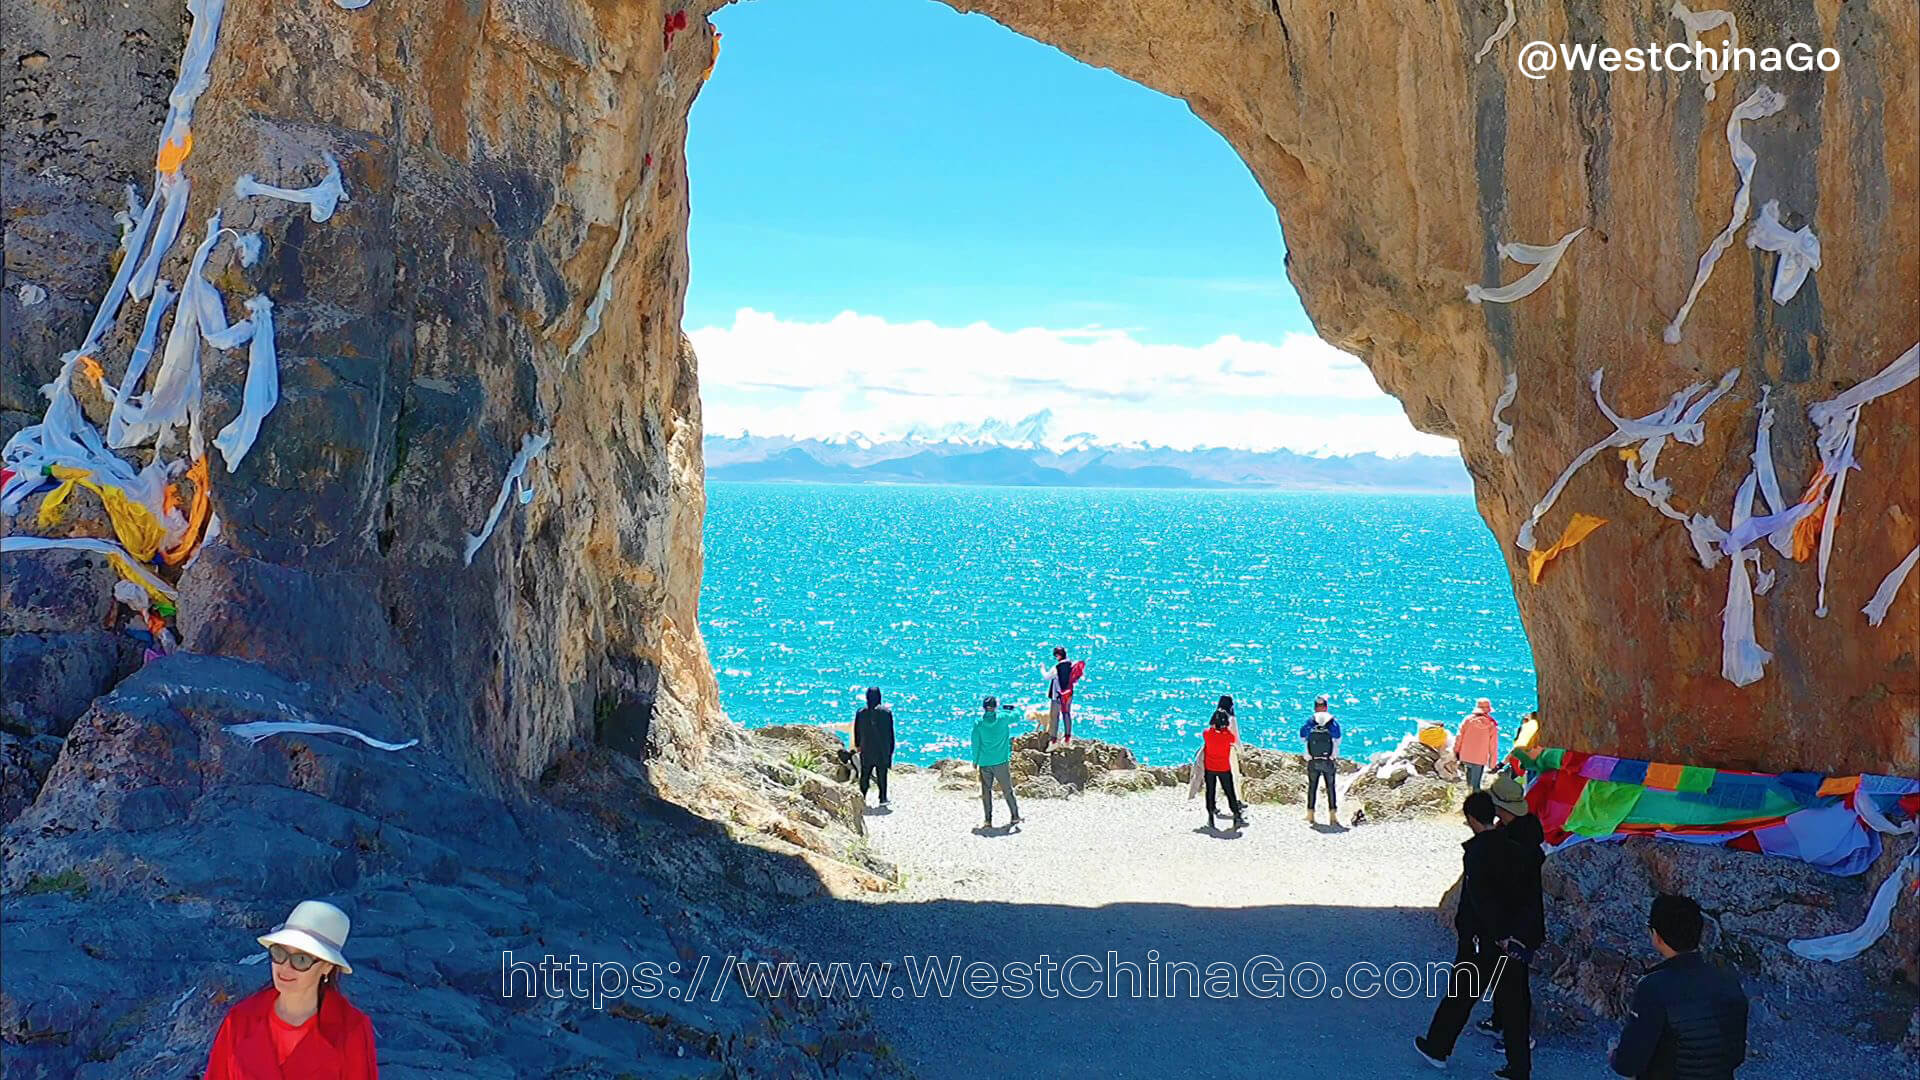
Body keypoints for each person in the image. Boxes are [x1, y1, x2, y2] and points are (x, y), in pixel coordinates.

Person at [1415, 791, 1535, 1080]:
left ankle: (1437, 1049)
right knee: (1514, 1003)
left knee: (1460, 996)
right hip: (1513, 938)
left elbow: (1482, 900)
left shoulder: (1479, 852)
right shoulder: (1514, 845)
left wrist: (1492, 934)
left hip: (1486, 939)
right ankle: (1519, 1067)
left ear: (1470, 818)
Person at [202, 899, 377, 1078]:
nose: (285, 967)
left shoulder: (352, 1029)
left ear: (327, 967)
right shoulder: (240, 1019)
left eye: (301, 960)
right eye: (279, 953)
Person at [1609, 894, 1749, 1080]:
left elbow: (1628, 1064)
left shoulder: (1653, 987)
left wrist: (1613, 1055)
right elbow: (1736, 1055)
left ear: (1655, 935)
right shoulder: (1728, 980)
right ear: (1699, 932)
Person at [1476, 775, 1546, 1052]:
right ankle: (1500, 1022)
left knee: (1515, 982)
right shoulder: (1526, 832)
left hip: (1518, 924)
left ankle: (1518, 1036)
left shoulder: (1515, 842)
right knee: (1504, 975)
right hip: (1519, 920)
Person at [972, 697, 1022, 828]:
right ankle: (1015, 816)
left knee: (986, 791)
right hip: (1001, 761)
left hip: (984, 762)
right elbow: (1017, 716)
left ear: (984, 707)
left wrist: (975, 761)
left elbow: (975, 744)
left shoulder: (979, 723)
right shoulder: (1003, 718)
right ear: (995, 707)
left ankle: (988, 820)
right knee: (1007, 790)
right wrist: (1012, 709)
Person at [1300, 694, 1342, 826]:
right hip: (1328, 760)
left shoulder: (1310, 720)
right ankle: (1333, 816)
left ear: (1315, 708)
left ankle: (1310, 814)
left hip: (1313, 760)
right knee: (1330, 787)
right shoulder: (1332, 721)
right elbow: (1338, 739)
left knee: (1312, 787)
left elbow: (1302, 737)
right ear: (1326, 707)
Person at [1200, 709, 1245, 830]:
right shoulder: (1227, 737)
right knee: (1230, 792)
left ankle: (1210, 815)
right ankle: (1236, 814)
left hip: (1210, 767)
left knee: (1210, 792)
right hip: (1224, 768)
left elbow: (1209, 730)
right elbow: (1232, 739)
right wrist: (1225, 728)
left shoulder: (1207, 734)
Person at [852, 686, 895, 806]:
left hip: (866, 748)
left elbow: (857, 730)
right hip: (881, 748)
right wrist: (890, 749)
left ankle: (862, 797)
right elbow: (890, 733)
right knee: (882, 773)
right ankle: (882, 798)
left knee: (865, 774)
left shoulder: (861, 712)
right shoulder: (886, 712)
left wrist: (858, 745)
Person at [1454, 698, 1501, 791]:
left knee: (1469, 782)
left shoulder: (1468, 720)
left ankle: (1467, 798)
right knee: (1476, 785)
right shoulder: (1491, 724)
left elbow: (1459, 737)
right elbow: (1493, 746)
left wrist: (1456, 751)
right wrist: (1492, 764)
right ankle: (1475, 801)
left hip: (1466, 755)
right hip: (1480, 758)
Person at [1046, 647, 1077, 744]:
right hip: (1068, 695)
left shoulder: (1057, 667)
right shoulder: (1071, 665)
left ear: (1058, 655)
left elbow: (1047, 677)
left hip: (1057, 696)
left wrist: (1042, 668)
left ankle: (1053, 738)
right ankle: (1067, 736)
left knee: (1054, 716)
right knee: (1066, 714)